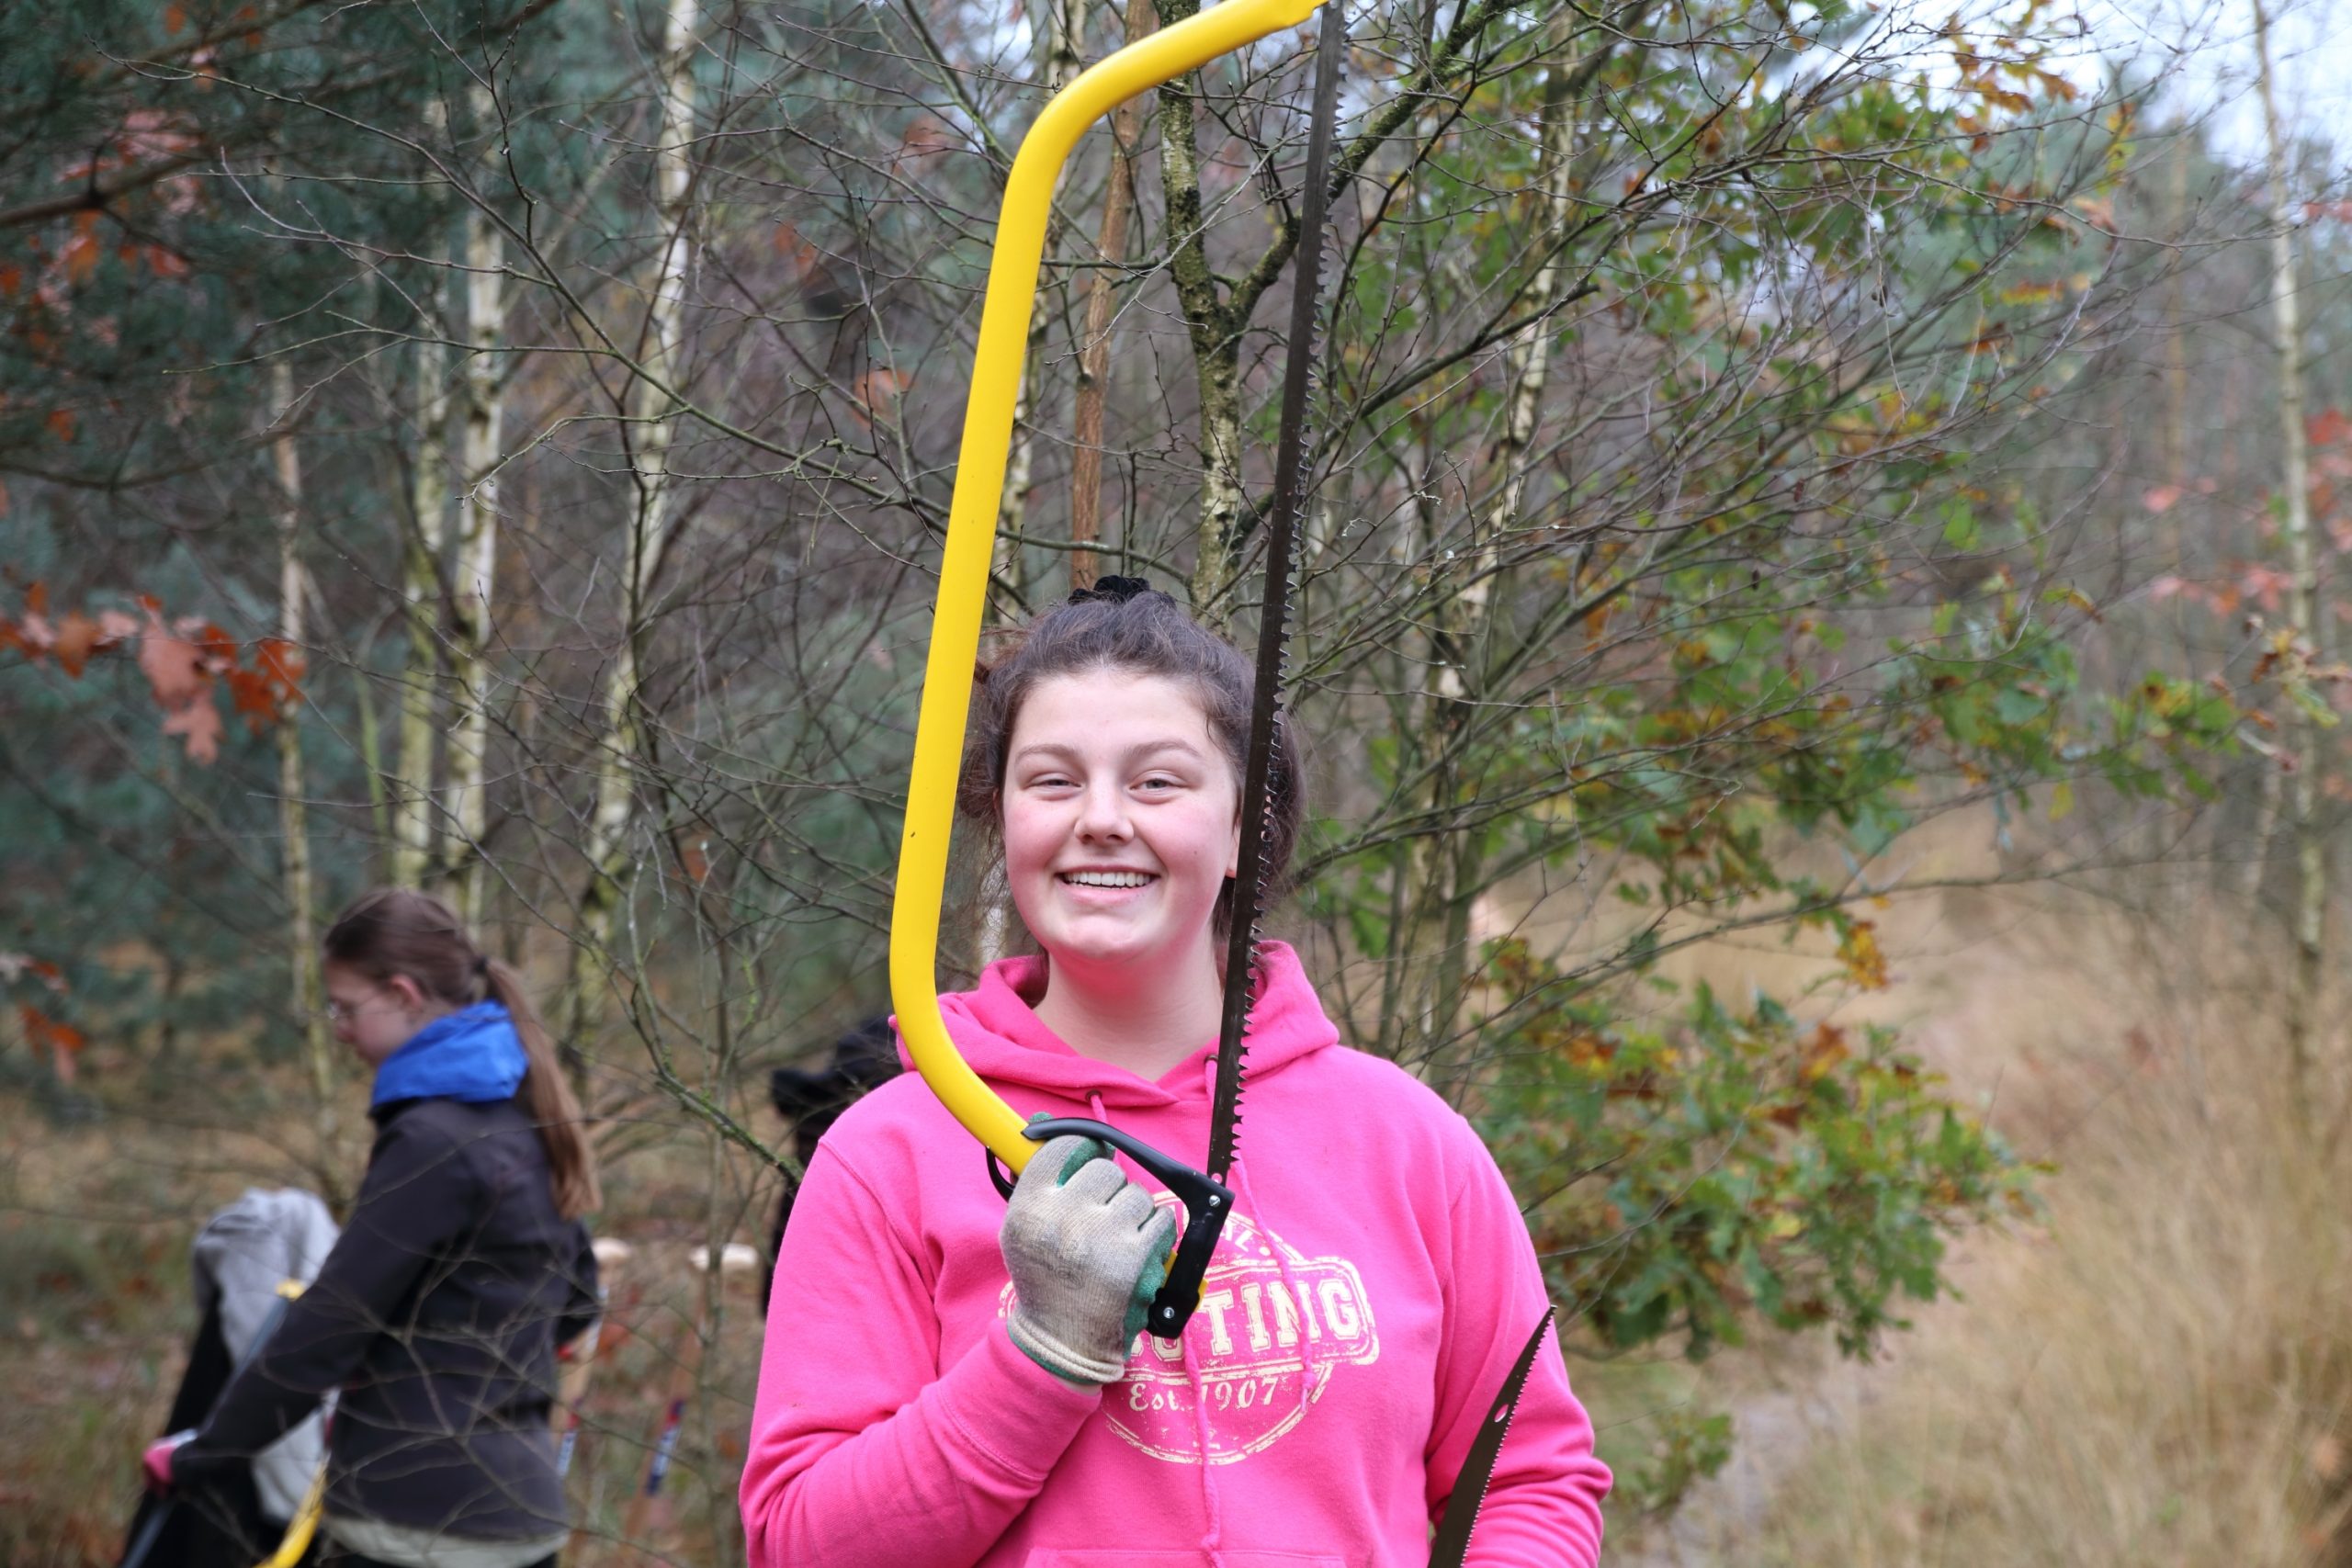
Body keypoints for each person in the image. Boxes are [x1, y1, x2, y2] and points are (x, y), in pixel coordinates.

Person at [740, 580, 1611, 1564]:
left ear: (1243, 829)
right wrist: (1041, 1356)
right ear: (1002, 820)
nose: (1101, 819)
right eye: (1052, 781)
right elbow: (801, 1543)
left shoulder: (1409, 1143)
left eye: (1157, 782)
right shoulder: (889, 1153)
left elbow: (1527, 1481)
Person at [141, 889, 602, 1568]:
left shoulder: (431, 1141)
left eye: (346, 1007)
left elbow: (328, 1330)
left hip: (415, 1528)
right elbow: (578, 1303)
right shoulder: (521, 1118)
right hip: (524, 1524)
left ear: (403, 994)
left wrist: (203, 1455)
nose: (339, 1028)